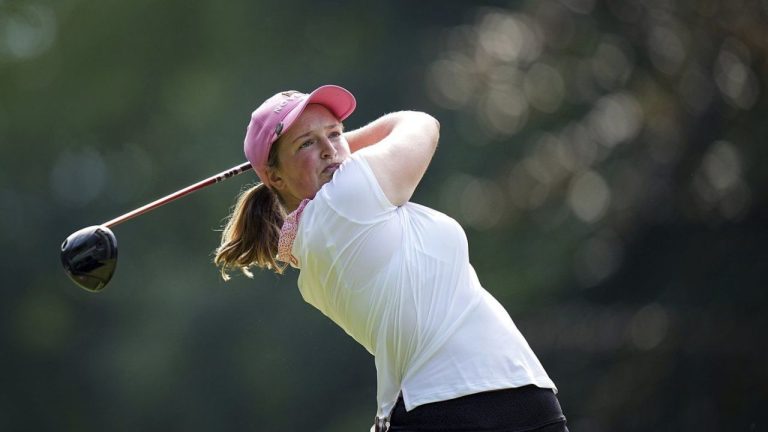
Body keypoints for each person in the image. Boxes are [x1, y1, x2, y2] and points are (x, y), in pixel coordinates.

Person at [214, 85, 568, 432]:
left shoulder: (312, 241)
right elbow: (420, 124)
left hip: (455, 403)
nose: (328, 149)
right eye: (306, 143)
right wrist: (344, 144)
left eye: (334, 133)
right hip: (478, 402)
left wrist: (325, 145)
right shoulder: (344, 200)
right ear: (274, 176)